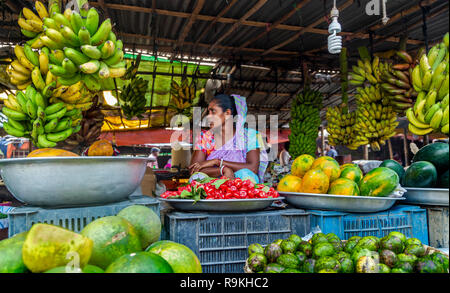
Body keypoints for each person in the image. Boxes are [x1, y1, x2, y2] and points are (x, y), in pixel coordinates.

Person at [189, 94, 268, 183]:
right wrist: (223, 170)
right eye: (208, 112)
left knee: (247, 175)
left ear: (227, 113)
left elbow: (253, 168)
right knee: (196, 178)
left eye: (213, 112)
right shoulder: (205, 138)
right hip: (211, 186)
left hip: (239, 188)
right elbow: (194, 170)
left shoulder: (249, 136)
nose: (208, 116)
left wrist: (218, 162)